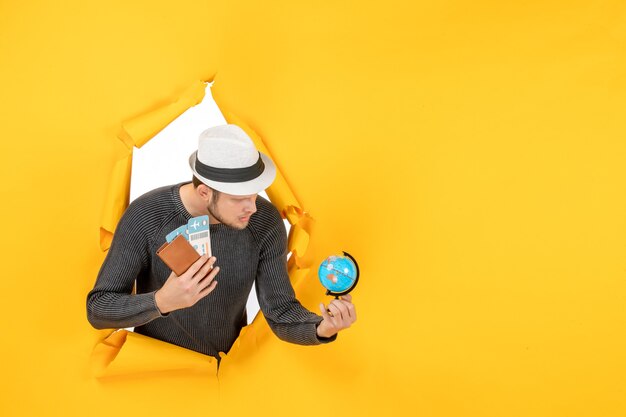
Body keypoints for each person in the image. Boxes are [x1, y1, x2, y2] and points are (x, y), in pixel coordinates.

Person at [87, 124, 356, 359]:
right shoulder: (146, 215)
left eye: (254, 195)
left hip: (225, 373)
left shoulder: (264, 223)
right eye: (239, 199)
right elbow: (98, 309)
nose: (252, 208)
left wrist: (321, 329)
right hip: (158, 370)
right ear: (204, 192)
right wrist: (161, 301)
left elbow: (280, 310)